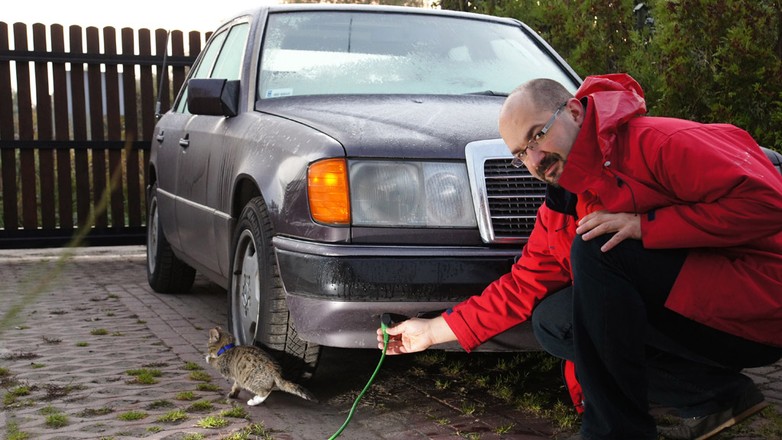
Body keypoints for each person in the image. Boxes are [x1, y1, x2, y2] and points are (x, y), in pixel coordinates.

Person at [377, 73, 782, 440]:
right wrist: (431, 332)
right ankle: (717, 397)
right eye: (521, 153)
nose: (535, 160)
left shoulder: (658, 143)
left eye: (538, 136)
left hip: (760, 308)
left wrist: (647, 226)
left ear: (573, 110)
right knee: (553, 321)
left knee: (599, 246)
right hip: (700, 320)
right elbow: (522, 286)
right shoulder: (564, 204)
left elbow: (769, 203)